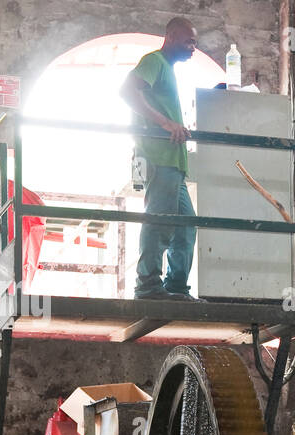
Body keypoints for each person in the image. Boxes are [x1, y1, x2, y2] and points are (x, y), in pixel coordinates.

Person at [121, 18, 202, 301]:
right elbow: (127, 91)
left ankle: (176, 287)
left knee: (186, 225)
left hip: (174, 163)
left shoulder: (167, 69)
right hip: (159, 157)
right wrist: (167, 124)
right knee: (159, 222)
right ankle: (147, 286)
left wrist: (175, 124)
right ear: (170, 36)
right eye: (188, 41)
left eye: (195, 43)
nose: (193, 47)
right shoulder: (154, 61)